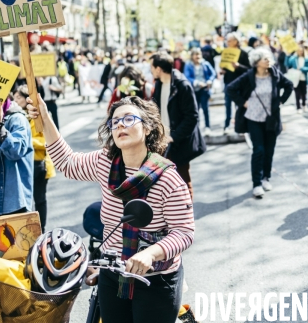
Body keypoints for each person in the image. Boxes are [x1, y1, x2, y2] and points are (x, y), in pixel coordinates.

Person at [27, 94, 194, 323]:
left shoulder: (168, 178)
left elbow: (184, 232)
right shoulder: (105, 162)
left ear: (146, 128)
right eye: (114, 122)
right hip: (113, 276)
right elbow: (66, 163)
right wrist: (44, 117)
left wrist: (150, 253)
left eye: (127, 119)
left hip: (157, 279)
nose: (119, 126)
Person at [226, 47, 293, 198]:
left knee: (269, 150)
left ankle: (266, 178)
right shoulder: (249, 76)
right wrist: (242, 102)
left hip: (271, 119)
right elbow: (230, 89)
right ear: (256, 63)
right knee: (259, 150)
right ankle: (256, 183)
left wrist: (281, 101)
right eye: (265, 59)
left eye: (269, 58)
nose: (268, 60)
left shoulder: (275, 74)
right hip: (253, 118)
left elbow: (289, 85)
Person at [151, 53, 206, 201]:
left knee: (182, 180)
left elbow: (192, 117)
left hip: (178, 141)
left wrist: (173, 137)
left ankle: (186, 217)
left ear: (158, 69)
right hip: (162, 140)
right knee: (162, 181)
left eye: (152, 67)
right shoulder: (159, 84)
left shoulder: (182, 85)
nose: (150, 70)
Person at [13, 86, 55, 232]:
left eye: (18, 98)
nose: (15, 101)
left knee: (40, 199)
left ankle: (41, 229)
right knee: (24, 200)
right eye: (14, 98)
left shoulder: (38, 116)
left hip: (38, 163)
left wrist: (25, 141)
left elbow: (46, 143)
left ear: (27, 99)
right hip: (22, 163)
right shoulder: (15, 116)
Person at [221, 33, 250, 135]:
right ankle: (227, 125)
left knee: (240, 104)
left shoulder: (243, 53)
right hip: (228, 83)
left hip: (240, 84)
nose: (227, 43)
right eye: (227, 41)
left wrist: (239, 66)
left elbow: (249, 70)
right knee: (228, 105)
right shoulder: (225, 53)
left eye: (229, 41)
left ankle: (240, 125)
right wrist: (222, 71)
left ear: (236, 42)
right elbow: (224, 67)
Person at [184, 48, 216, 134]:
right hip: (194, 90)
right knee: (195, 110)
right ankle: (197, 128)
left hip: (204, 89)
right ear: (192, 56)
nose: (197, 56)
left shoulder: (205, 64)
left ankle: (207, 127)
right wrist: (197, 83)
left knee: (205, 109)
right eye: (195, 54)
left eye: (199, 54)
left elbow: (213, 73)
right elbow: (187, 76)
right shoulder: (188, 65)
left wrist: (210, 80)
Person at [285, 45, 308, 113]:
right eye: (299, 51)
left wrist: (302, 69)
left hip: (303, 78)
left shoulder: (306, 59)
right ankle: (298, 107)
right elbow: (287, 64)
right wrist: (287, 56)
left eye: (301, 51)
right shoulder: (293, 58)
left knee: (304, 92)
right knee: (297, 93)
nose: (300, 52)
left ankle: (304, 105)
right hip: (296, 78)